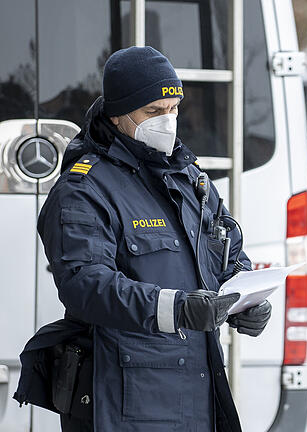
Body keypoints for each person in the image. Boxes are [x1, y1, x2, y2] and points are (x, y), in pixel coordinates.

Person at [14, 46, 272, 432]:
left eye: (173, 109)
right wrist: (176, 308)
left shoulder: (190, 178)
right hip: (125, 400)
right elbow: (84, 284)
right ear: (118, 114)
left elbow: (225, 253)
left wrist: (244, 299)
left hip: (198, 390)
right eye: (152, 112)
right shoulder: (84, 189)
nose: (167, 121)